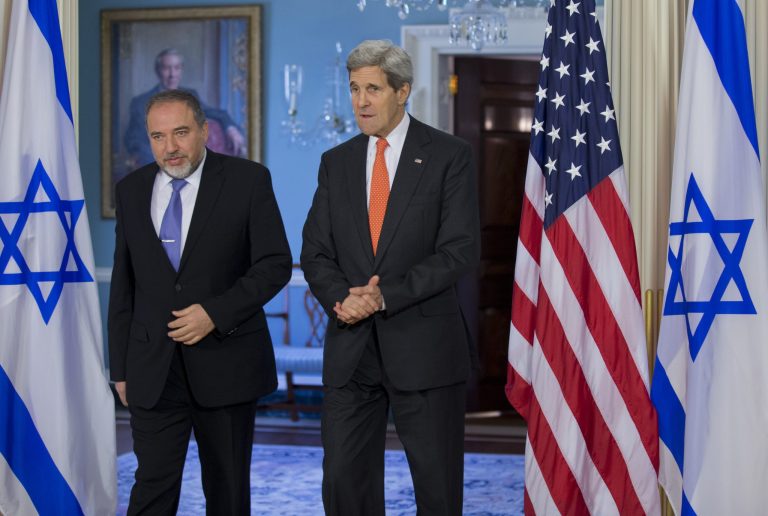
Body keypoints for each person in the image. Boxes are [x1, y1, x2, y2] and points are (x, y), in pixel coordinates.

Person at [300, 40, 480, 516]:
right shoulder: (334, 163)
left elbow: (459, 250)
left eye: (373, 89)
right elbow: (315, 251)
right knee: (343, 480)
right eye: (355, 88)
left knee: (436, 485)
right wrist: (345, 299)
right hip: (351, 350)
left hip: (425, 347)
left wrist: (383, 299)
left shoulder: (448, 155)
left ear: (403, 91)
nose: (361, 101)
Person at [108, 89, 291, 515]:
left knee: (227, 492)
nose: (169, 147)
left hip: (226, 363)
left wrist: (214, 313)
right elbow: (124, 284)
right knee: (151, 485)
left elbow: (274, 264)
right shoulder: (131, 190)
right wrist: (120, 368)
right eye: (157, 136)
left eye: (180, 133)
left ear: (204, 131)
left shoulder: (248, 180)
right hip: (153, 368)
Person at [123, 48, 247, 173]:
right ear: (158, 71)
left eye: (177, 68)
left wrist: (230, 128)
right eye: (167, 68)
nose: (172, 75)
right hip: (156, 165)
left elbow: (217, 113)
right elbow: (134, 140)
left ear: (181, 70)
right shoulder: (140, 103)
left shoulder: (190, 95)